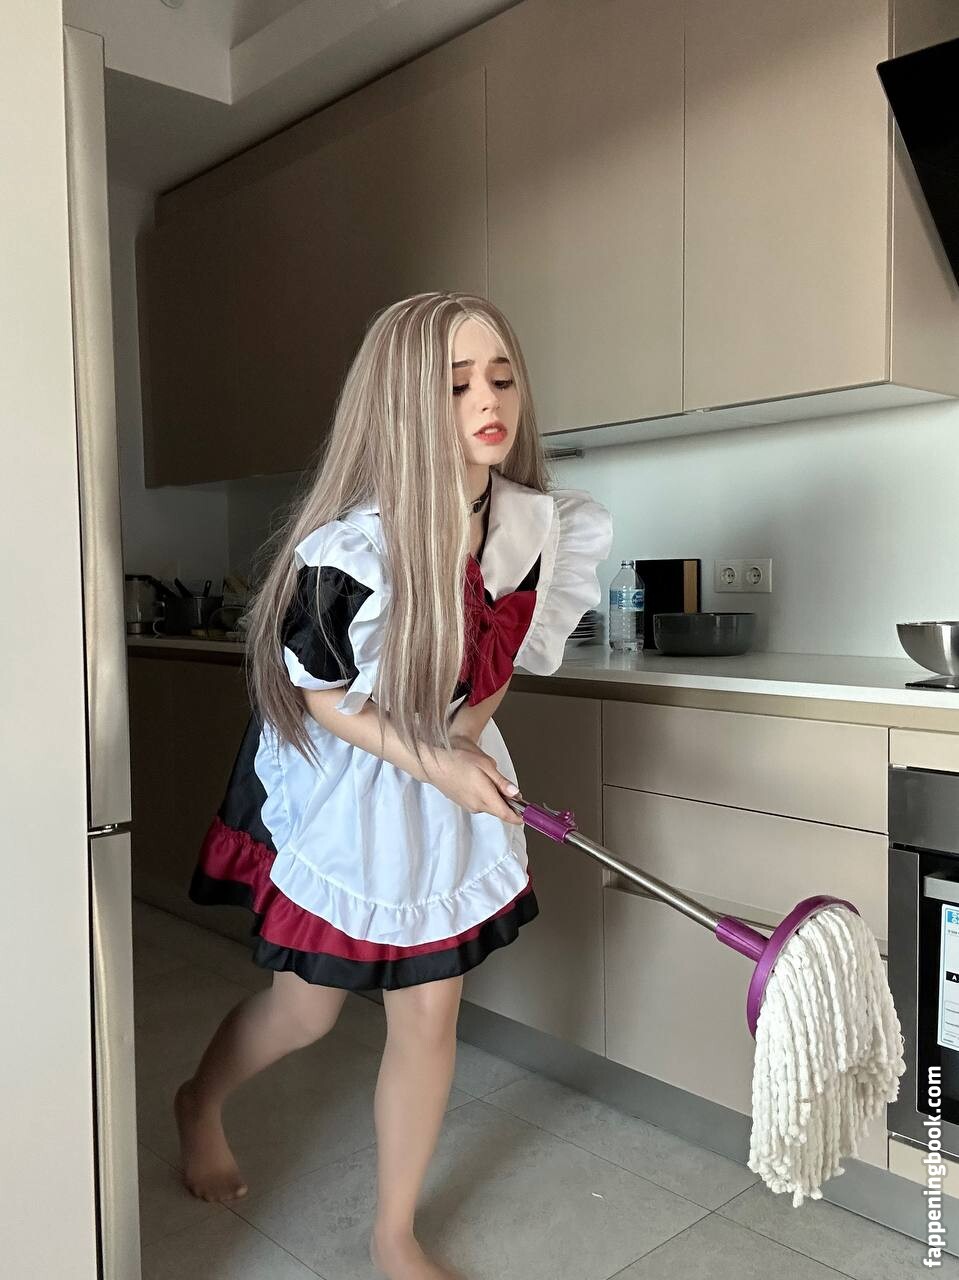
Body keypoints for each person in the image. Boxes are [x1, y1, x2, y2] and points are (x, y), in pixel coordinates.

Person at [173, 291, 614, 1280]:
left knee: (428, 1013)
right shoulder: (354, 550)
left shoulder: (530, 524)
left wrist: (464, 743)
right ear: (402, 403)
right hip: (350, 777)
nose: (487, 400)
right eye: (455, 384)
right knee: (306, 1011)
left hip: (440, 760)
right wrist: (433, 762)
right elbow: (325, 700)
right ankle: (198, 1102)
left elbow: (498, 657)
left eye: (499, 376)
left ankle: (392, 1233)